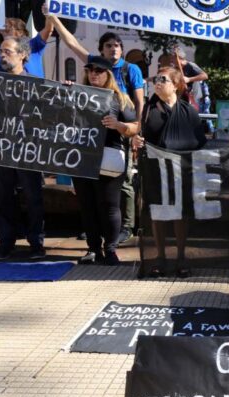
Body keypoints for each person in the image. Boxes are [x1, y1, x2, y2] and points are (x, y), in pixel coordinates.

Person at [48, 14, 145, 244]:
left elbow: (138, 103)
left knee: (124, 183)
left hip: (118, 135)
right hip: (91, 142)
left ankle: (125, 228)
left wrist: (134, 133)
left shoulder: (130, 70)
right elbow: (72, 42)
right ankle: (96, 234)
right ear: (101, 51)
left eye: (117, 46)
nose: (114, 49)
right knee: (91, 191)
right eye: (109, 46)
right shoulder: (92, 65)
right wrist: (53, 19)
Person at [0, 37, 45, 260]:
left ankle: (36, 243)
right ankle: (6, 242)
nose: (2, 55)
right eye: (0, 52)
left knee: (33, 197)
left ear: (22, 55)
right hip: (0, 150)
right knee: (2, 198)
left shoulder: (36, 84)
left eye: (7, 51)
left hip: (28, 151)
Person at [132, 67, 206, 278]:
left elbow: (199, 140)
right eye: (156, 79)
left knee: (180, 213)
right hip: (156, 170)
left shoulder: (188, 110)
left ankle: (181, 257)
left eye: (163, 79)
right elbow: (140, 136)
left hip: (181, 170)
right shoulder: (148, 110)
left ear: (175, 84)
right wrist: (136, 141)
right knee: (158, 213)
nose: (157, 82)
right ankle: (160, 257)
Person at [73, 57, 139, 265]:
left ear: (108, 74)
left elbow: (135, 127)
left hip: (109, 157)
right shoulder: (77, 93)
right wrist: (64, 92)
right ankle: (93, 248)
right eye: (91, 70)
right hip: (81, 157)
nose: (94, 74)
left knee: (110, 205)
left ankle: (110, 249)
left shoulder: (120, 98)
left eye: (99, 71)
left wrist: (118, 125)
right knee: (87, 205)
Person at [172, 47, 212, 132]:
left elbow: (205, 76)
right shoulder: (176, 69)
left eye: (173, 57)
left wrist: (189, 79)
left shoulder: (190, 65)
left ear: (179, 58)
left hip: (193, 96)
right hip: (181, 96)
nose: (172, 60)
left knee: (194, 116)